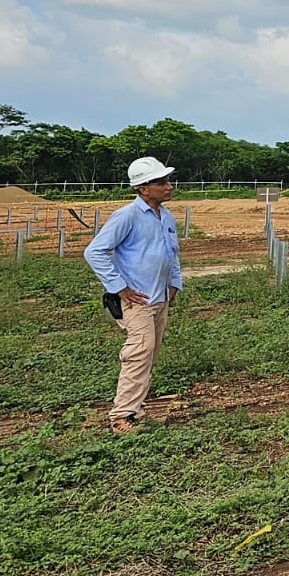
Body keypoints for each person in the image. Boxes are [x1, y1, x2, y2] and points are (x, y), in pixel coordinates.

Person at [85, 156, 183, 435]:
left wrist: (175, 282)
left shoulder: (166, 217)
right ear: (142, 188)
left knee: (148, 354)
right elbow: (94, 252)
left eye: (167, 181)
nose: (168, 186)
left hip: (160, 298)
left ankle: (136, 412)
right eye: (161, 182)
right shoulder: (127, 216)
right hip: (137, 300)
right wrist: (119, 287)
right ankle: (121, 417)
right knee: (139, 352)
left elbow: (171, 253)